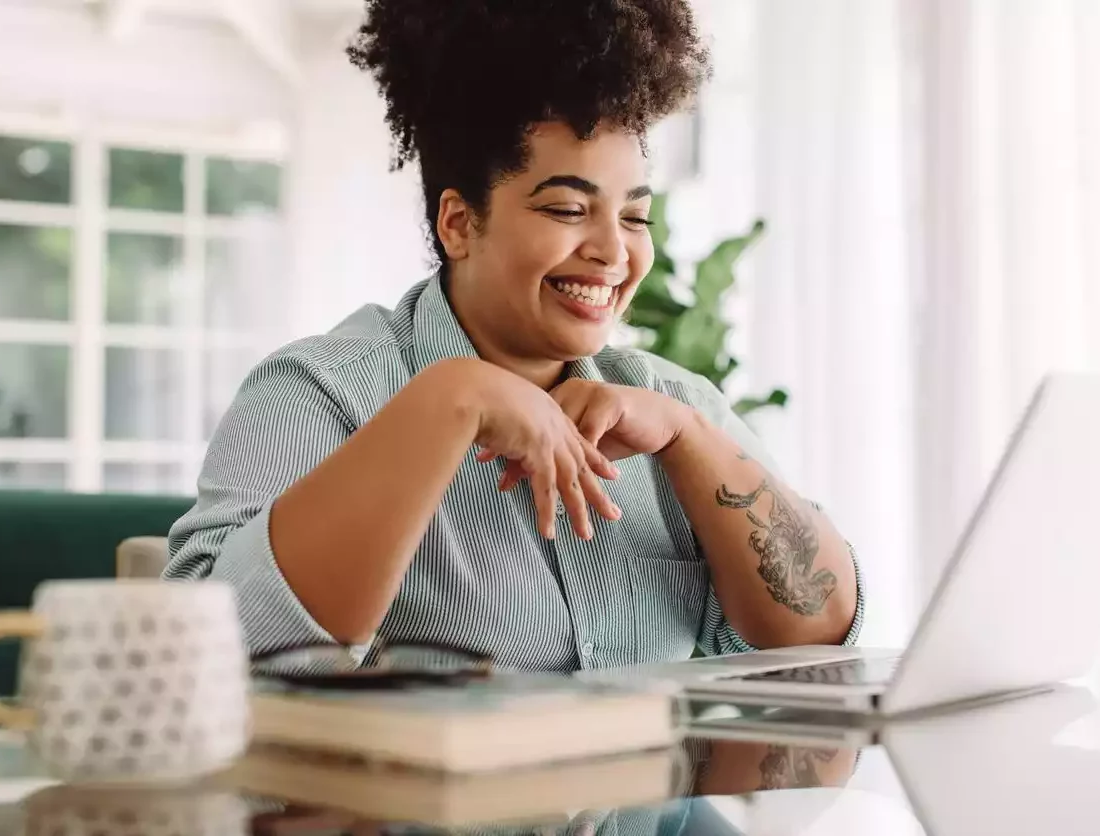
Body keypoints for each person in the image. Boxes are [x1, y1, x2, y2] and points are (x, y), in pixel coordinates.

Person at [165, 0, 864, 670]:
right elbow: (208, 655)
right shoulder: (319, 394)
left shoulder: (672, 405)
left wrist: (690, 442)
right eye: (567, 209)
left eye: (635, 218)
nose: (613, 252)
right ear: (459, 224)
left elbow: (819, 637)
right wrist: (449, 399)